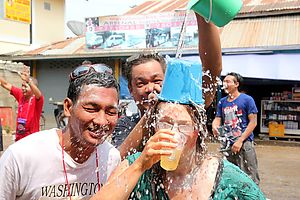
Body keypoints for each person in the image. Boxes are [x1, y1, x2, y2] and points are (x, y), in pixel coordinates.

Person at [91, 61, 265, 200]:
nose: (173, 133)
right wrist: (140, 165)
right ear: (154, 126)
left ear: (198, 131)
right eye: (165, 124)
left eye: (183, 126)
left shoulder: (229, 180)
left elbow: (213, 65)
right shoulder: (136, 165)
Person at [0, 63, 121, 199]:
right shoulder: (21, 157)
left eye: (111, 112)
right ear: (68, 107)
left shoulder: (111, 158)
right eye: (91, 109)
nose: (101, 121)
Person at [112, 12, 222, 148]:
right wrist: (153, 111)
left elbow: (212, 70)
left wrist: (203, 12)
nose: (150, 88)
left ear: (168, 82)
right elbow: (119, 160)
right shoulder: (125, 125)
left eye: (157, 81)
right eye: (141, 83)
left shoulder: (187, 112)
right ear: (130, 89)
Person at [212, 72, 260, 185]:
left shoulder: (247, 100)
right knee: (230, 174)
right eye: (224, 81)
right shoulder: (222, 102)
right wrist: (215, 125)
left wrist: (240, 141)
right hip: (228, 144)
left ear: (236, 84)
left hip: (244, 143)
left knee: (249, 175)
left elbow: (253, 122)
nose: (225, 84)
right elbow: (218, 118)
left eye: (228, 81)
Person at [0, 65, 44, 141]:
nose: (23, 89)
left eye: (25, 86)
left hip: (31, 140)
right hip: (19, 139)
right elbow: (5, 84)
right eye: (22, 86)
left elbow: (39, 95)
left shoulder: (37, 101)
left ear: (33, 88)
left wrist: (29, 81)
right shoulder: (20, 95)